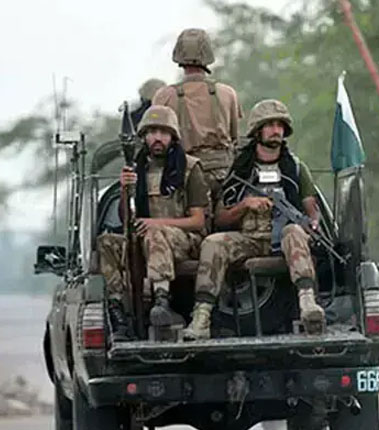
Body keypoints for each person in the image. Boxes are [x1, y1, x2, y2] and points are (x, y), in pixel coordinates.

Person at [185, 99, 325, 341]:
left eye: (280, 125)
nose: (276, 130)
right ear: (257, 131)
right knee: (213, 243)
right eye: (269, 125)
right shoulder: (240, 169)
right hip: (249, 239)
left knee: (294, 231)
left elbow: (311, 208)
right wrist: (244, 205)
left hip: (283, 239)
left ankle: (308, 305)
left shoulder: (295, 169)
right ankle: (201, 317)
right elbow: (221, 217)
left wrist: (312, 223)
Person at [98, 105, 210, 340]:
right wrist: (125, 189)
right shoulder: (137, 168)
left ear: (173, 137)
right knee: (107, 242)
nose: (157, 138)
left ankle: (161, 300)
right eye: (152, 132)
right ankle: (119, 312)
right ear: (143, 137)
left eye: (163, 132)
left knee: (154, 232)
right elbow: (126, 220)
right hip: (145, 239)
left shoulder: (190, 168)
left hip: (184, 242)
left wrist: (156, 223)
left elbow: (198, 221)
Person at [152, 28, 243, 214]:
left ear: (178, 55)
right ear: (208, 54)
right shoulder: (227, 93)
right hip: (224, 175)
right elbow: (235, 137)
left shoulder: (164, 96)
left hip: (184, 175)